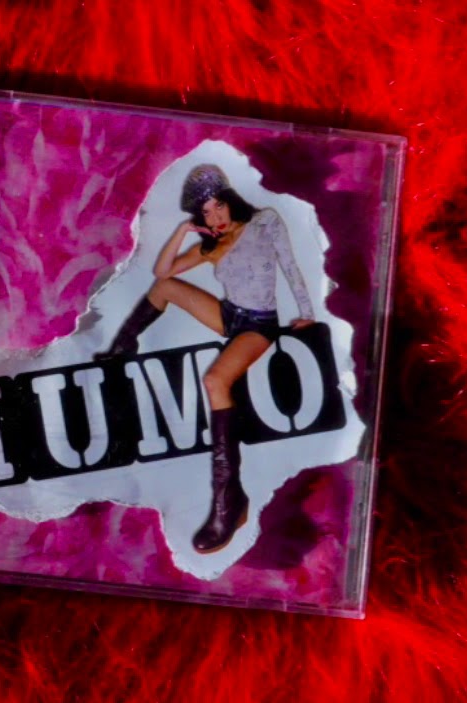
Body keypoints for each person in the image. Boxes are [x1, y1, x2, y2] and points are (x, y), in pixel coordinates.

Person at [94, 164, 316, 553]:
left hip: (258, 325)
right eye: (206, 213)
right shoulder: (211, 245)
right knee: (165, 287)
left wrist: (306, 311)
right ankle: (119, 352)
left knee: (216, 381)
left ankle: (229, 500)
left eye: (218, 207)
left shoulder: (264, 221)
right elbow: (162, 270)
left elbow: (290, 265)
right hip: (229, 316)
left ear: (230, 200)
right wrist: (183, 231)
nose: (214, 217)